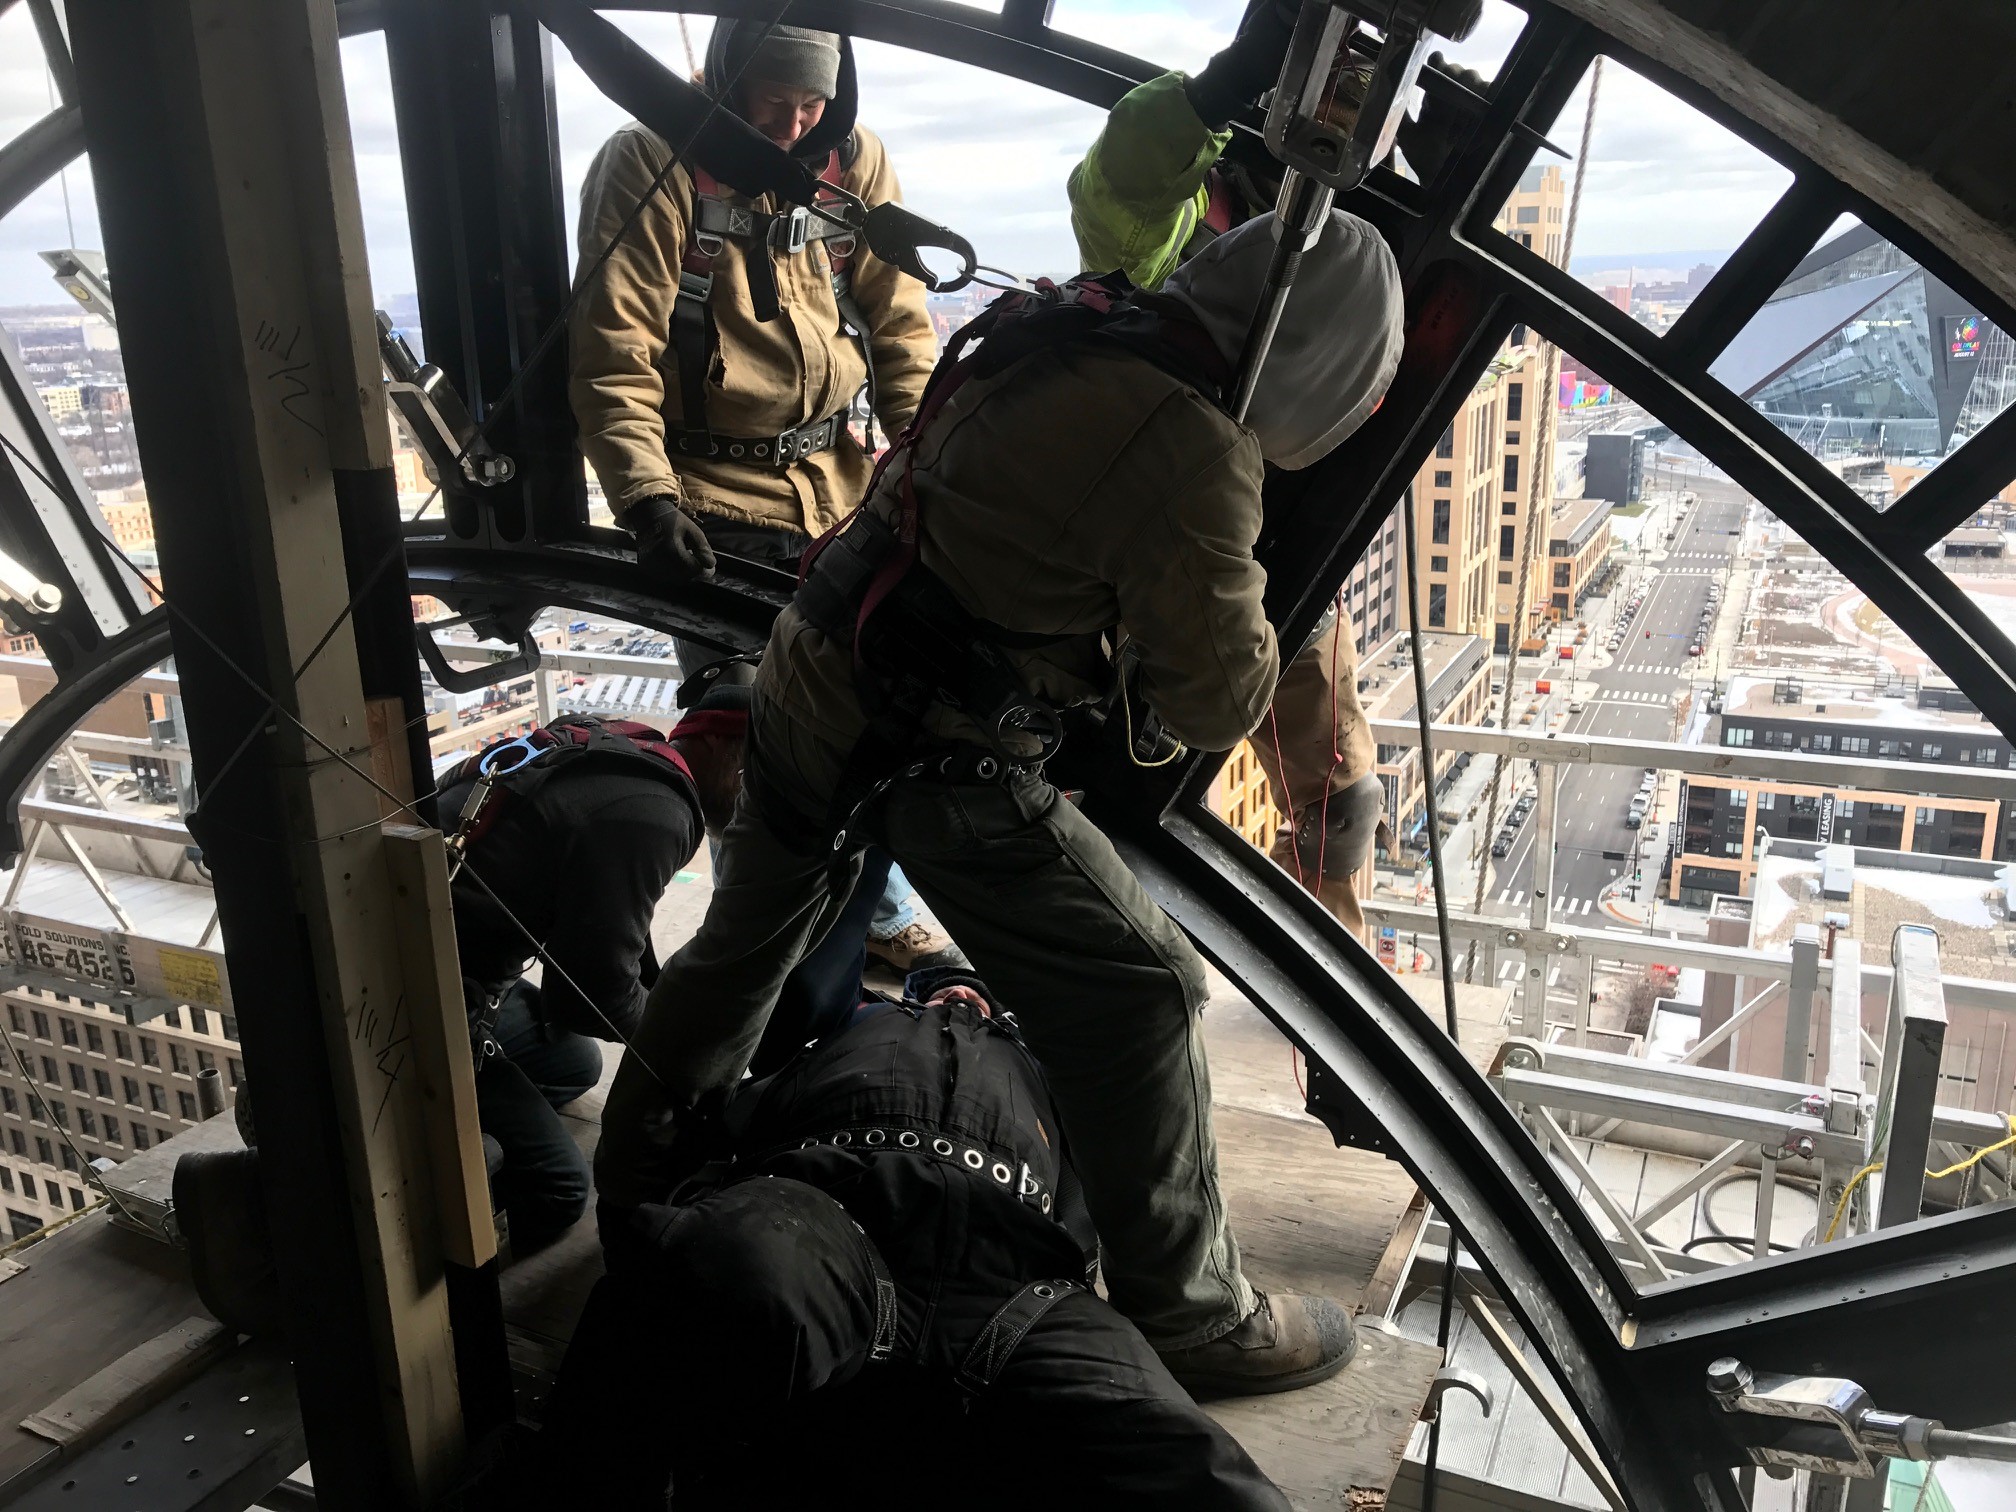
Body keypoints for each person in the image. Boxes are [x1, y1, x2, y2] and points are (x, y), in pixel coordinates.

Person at [595, 208, 1404, 1396]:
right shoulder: (1192, 445)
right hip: (937, 748)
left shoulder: (1063, 327)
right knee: (1143, 986)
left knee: (743, 949)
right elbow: (1217, 699)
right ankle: (1191, 1316)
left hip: (813, 675)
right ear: (1319, 371)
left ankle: (634, 1188)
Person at [473, 972, 1290, 1510]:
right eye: (939, 986)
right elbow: (729, 1097)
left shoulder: (1047, 1071)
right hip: (828, 1214)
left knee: (1187, 1460)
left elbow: (1125, 1171)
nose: (958, 995)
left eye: (976, 990)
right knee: (704, 1275)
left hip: (1015, 1280)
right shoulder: (844, 1028)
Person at [1066, 2, 1479, 934]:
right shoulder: (1184, 223)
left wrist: (1457, 181)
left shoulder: (1367, 241)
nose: (1336, 116)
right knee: (1114, 764)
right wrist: (1220, 86)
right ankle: (1095, 944)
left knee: (1340, 805)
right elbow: (1119, 190)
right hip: (1154, 540)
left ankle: (1314, 967)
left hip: (1276, 544)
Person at [568, 17, 962, 975]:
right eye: (774, 103)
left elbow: (901, 327)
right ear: (727, 75)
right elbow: (614, 349)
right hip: (712, 499)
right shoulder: (652, 163)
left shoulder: (851, 160)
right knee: (744, 742)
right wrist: (648, 498)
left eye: (813, 104)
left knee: (869, 716)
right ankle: (756, 951)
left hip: (840, 491)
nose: (793, 126)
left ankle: (872, 911)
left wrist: (930, 460)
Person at [439, 692, 888, 1250]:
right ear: (720, 744)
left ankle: (489, 1107)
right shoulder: (654, 812)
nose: (757, 801)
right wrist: (687, 1060)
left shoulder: (624, 748)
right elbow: (589, 1000)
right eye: (758, 777)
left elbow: (604, 941)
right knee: (560, 1190)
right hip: (434, 1005)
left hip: (448, 960)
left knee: (577, 1065)